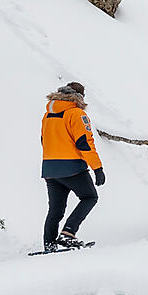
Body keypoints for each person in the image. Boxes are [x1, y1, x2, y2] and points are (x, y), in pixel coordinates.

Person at [40, 81, 103, 251]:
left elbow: (43, 140)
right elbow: (84, 143)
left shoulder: (48, 115)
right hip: (72, 166)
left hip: (50, 168)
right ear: (79, 96)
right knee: (90, 197)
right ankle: (68, 234)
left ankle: (49, 243)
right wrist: (98, 168)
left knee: (56, 208)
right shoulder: (76, 114)